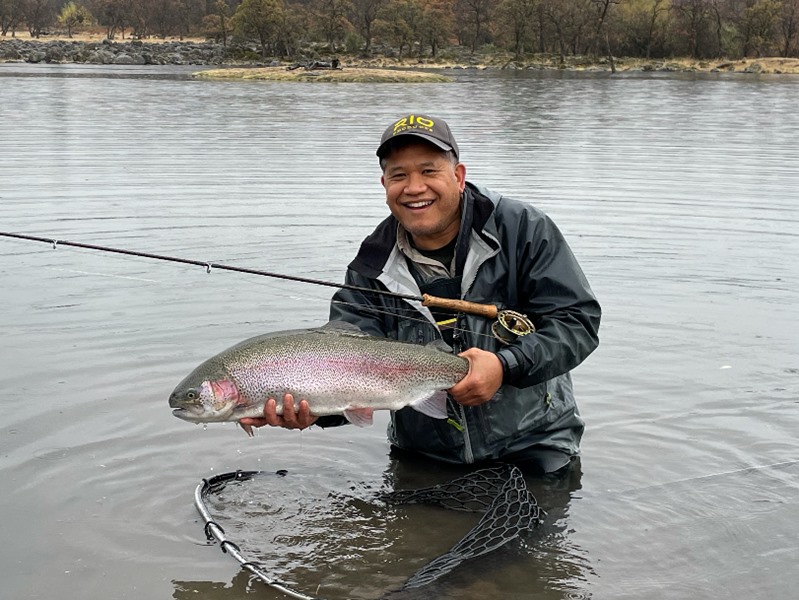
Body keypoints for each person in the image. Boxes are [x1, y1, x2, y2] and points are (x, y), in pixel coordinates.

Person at [240, 114, 601, 475]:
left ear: (458, 177)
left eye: (428, 171)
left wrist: (505, 367)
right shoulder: (369, 267)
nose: (414, 187)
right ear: (384, 184)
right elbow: (349, 374)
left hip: (534, 446)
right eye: (399, 176)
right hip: (423, 456)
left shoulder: (522, 230)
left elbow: (578, 325)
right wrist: (311, 411)